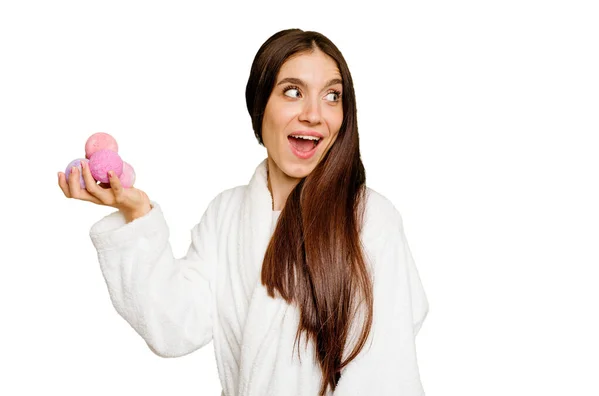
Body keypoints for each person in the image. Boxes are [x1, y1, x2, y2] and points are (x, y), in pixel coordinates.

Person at [57, 28, 429, 396]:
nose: (315, 114)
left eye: (332, 96)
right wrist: (135, 214)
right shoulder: (227, 214)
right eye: (293, 91)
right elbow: (172, 327)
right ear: (259, 105)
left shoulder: (371, 220)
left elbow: (386, 374)